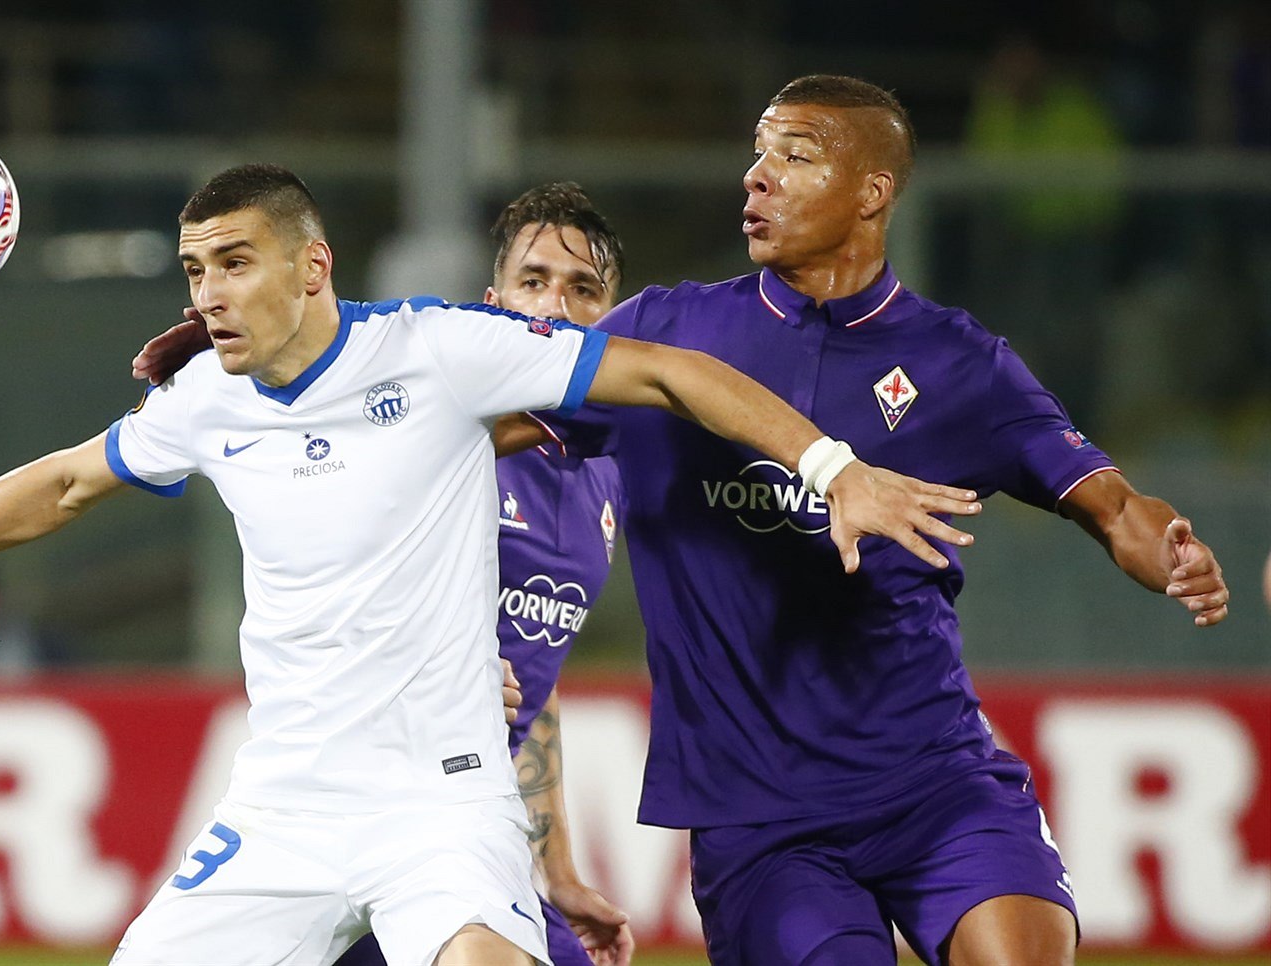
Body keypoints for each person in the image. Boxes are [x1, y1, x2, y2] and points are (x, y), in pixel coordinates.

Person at [0, 163, 981, 966]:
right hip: (283, 808)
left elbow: (667, 372)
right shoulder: (203, 400)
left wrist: (835, 469)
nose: (210, 294)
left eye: (235, 262)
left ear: (311, 267)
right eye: (195, 271)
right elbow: (63, 483)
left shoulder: (441, 355)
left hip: (438, 804)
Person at [500, 76, 1230, 966]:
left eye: (795, 156)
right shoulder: (665, 334)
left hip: (936, 778)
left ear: (871, 192)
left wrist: (1170, 550)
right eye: (759, 154)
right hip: (762, 819)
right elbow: (483, 431)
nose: (757, 176)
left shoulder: (961, 364)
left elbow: (1111, 504)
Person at [133, 182, 636, 965]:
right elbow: (352, 409)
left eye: (584, 289)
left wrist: (559, 869)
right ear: (493, 304)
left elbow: (536, 676)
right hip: (360, 809)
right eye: (534, 282)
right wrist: (259, 327)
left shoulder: (602, 469)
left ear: (614, 315)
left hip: (453, 828)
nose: (557, 306)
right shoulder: (454, 429)